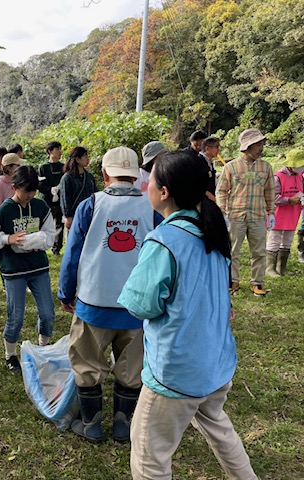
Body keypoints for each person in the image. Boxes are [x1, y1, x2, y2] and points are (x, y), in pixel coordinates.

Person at [118, 151, 258, 480]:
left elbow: (142, 305)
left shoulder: (164, 241)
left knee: (150, 456)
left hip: (176, 374)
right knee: (222, 433)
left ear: (163, 192)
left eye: (149, 181)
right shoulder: (213, 232)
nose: (146, 187)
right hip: (216, 365)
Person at [58, 146, 157, 443]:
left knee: (87, 363)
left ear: (104, 174)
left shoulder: (91, 205)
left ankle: (92, 424)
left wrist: (66, 291)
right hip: (138, 307)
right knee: (132, 367)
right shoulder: (153, 208)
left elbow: (72, 252)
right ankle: (123, 424)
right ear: (137, 174)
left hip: (94, 302)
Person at [0, 165, 56, 373]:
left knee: (47, 312)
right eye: (26, 191)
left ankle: (43, 346)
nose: (30, 195)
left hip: (38, 267)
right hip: (14, 270)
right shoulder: (5, 210)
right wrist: (7, 238)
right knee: (17, 315)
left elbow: (50, 234)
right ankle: (10, 354)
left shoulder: (40, 207)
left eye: (34, 191)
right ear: (14, 187)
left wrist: (38, 240)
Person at [216, 128, 275, 296]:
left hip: (257, 215)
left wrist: (271, 213)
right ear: (248, 146)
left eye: (262, 144)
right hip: (235, 216)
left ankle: (257, 283)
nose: (261, 147)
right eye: (258, 144)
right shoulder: (231, 167)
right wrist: (223, 211)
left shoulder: (266, 167)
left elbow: (270, 191)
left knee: (259, 251)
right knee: (233, 250)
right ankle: (233, 280)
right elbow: (221, 191)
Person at [266, 148, 304, 277]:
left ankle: (281, 267)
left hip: (293, 213)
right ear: (291, 164)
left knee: (287, 240)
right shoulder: (278, 177)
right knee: (274, 239)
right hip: (278, 214)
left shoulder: (300, 176)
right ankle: (270, 268)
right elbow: (273, 197)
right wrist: (288, 200)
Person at [59, 146, 97, 230]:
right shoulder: (67, 178)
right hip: (75, 216)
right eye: (85, 156)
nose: (88, 159)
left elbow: (95, 193)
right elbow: (65, 198)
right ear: (77, 159)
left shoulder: (89, 176)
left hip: (90, 214)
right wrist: (68, 216)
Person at [38, 141, 65, 254]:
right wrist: (50, 191)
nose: (60, 151)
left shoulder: (63, 167)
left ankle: (56, 248)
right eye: (57, 149)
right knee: (43, 223)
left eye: (60, 149)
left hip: (59, 200)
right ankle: (40, 245)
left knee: (59, 224)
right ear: (50, 151)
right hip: (46, 200)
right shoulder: (43, 167)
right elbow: (39, 184)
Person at [200, 136, 220, 201]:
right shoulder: (198, 161)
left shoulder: (209, 161)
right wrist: (208, 194)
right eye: (216, 147)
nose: (218, 150)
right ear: (207, 148)